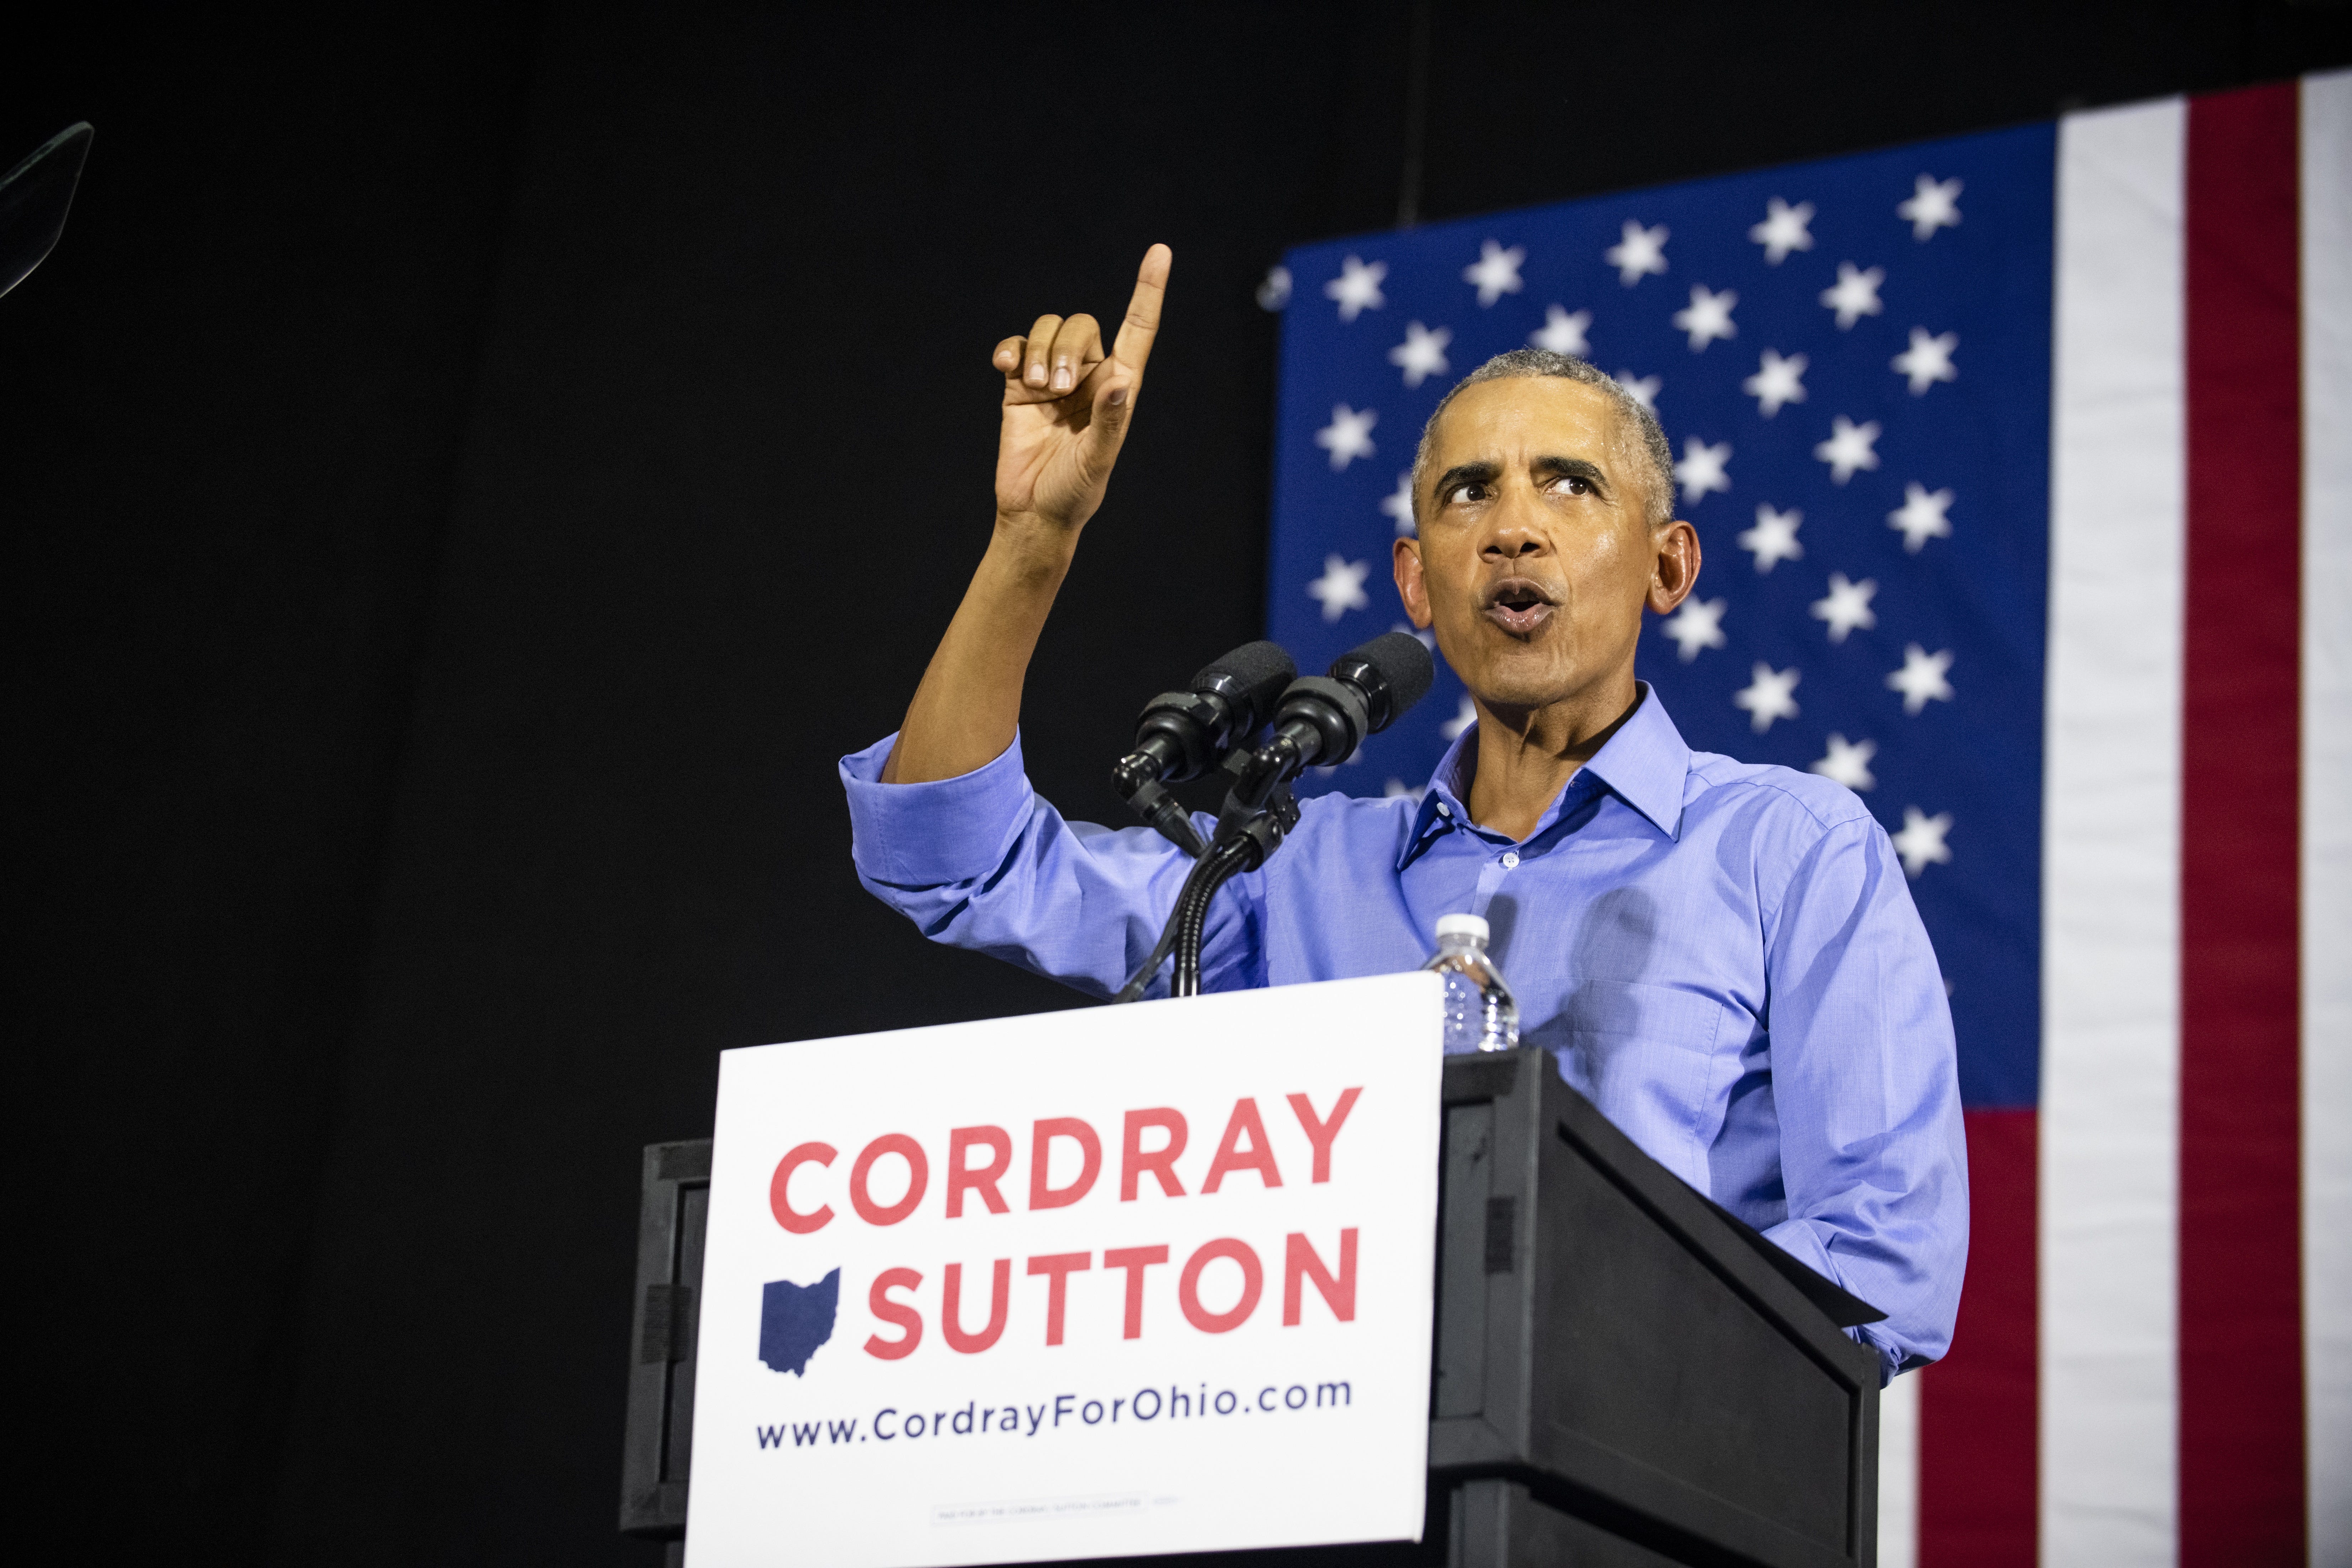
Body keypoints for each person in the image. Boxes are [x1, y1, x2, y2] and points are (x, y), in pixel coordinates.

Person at [840, 245, 1965, 1379]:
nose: (1513, 529)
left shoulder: (1793, 851)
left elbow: (1881, 1263)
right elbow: (957, 862)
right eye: (1468, 492)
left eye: (1570, 484)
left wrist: (1545, 1352)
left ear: (1669, 567)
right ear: (1419, 582)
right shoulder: (1286, 869)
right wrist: (1033, 541)